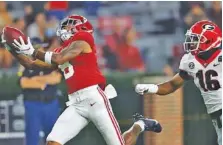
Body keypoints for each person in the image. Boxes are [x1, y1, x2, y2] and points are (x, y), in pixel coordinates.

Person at [3, 15, 162, 145]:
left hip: (94, 99)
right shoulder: (62, 49)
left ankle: (138, 125)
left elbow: (59, 58)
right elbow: (31, 65)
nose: (64, 29)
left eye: (68, 26)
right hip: (76, 104)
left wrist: (33, 50)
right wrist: (14, 50)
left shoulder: (84, 38)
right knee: (52, 142)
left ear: (80, 27)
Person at [135, 20, 222, 145]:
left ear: (210, 40)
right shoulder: (190, 61)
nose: (192, 43)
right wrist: (152, 88)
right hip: (216, 115)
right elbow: (172, 85)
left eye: (196, 39)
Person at [19, 38, 62, 145]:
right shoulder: (27, 65)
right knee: (32, 137)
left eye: (42, 48)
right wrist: (44, 81)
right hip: (33, 104)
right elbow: (24, 83)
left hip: (51, 103)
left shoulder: (50, 63)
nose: (41, 50)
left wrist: (36, 80)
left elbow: (56, 78)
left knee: (53, 137)